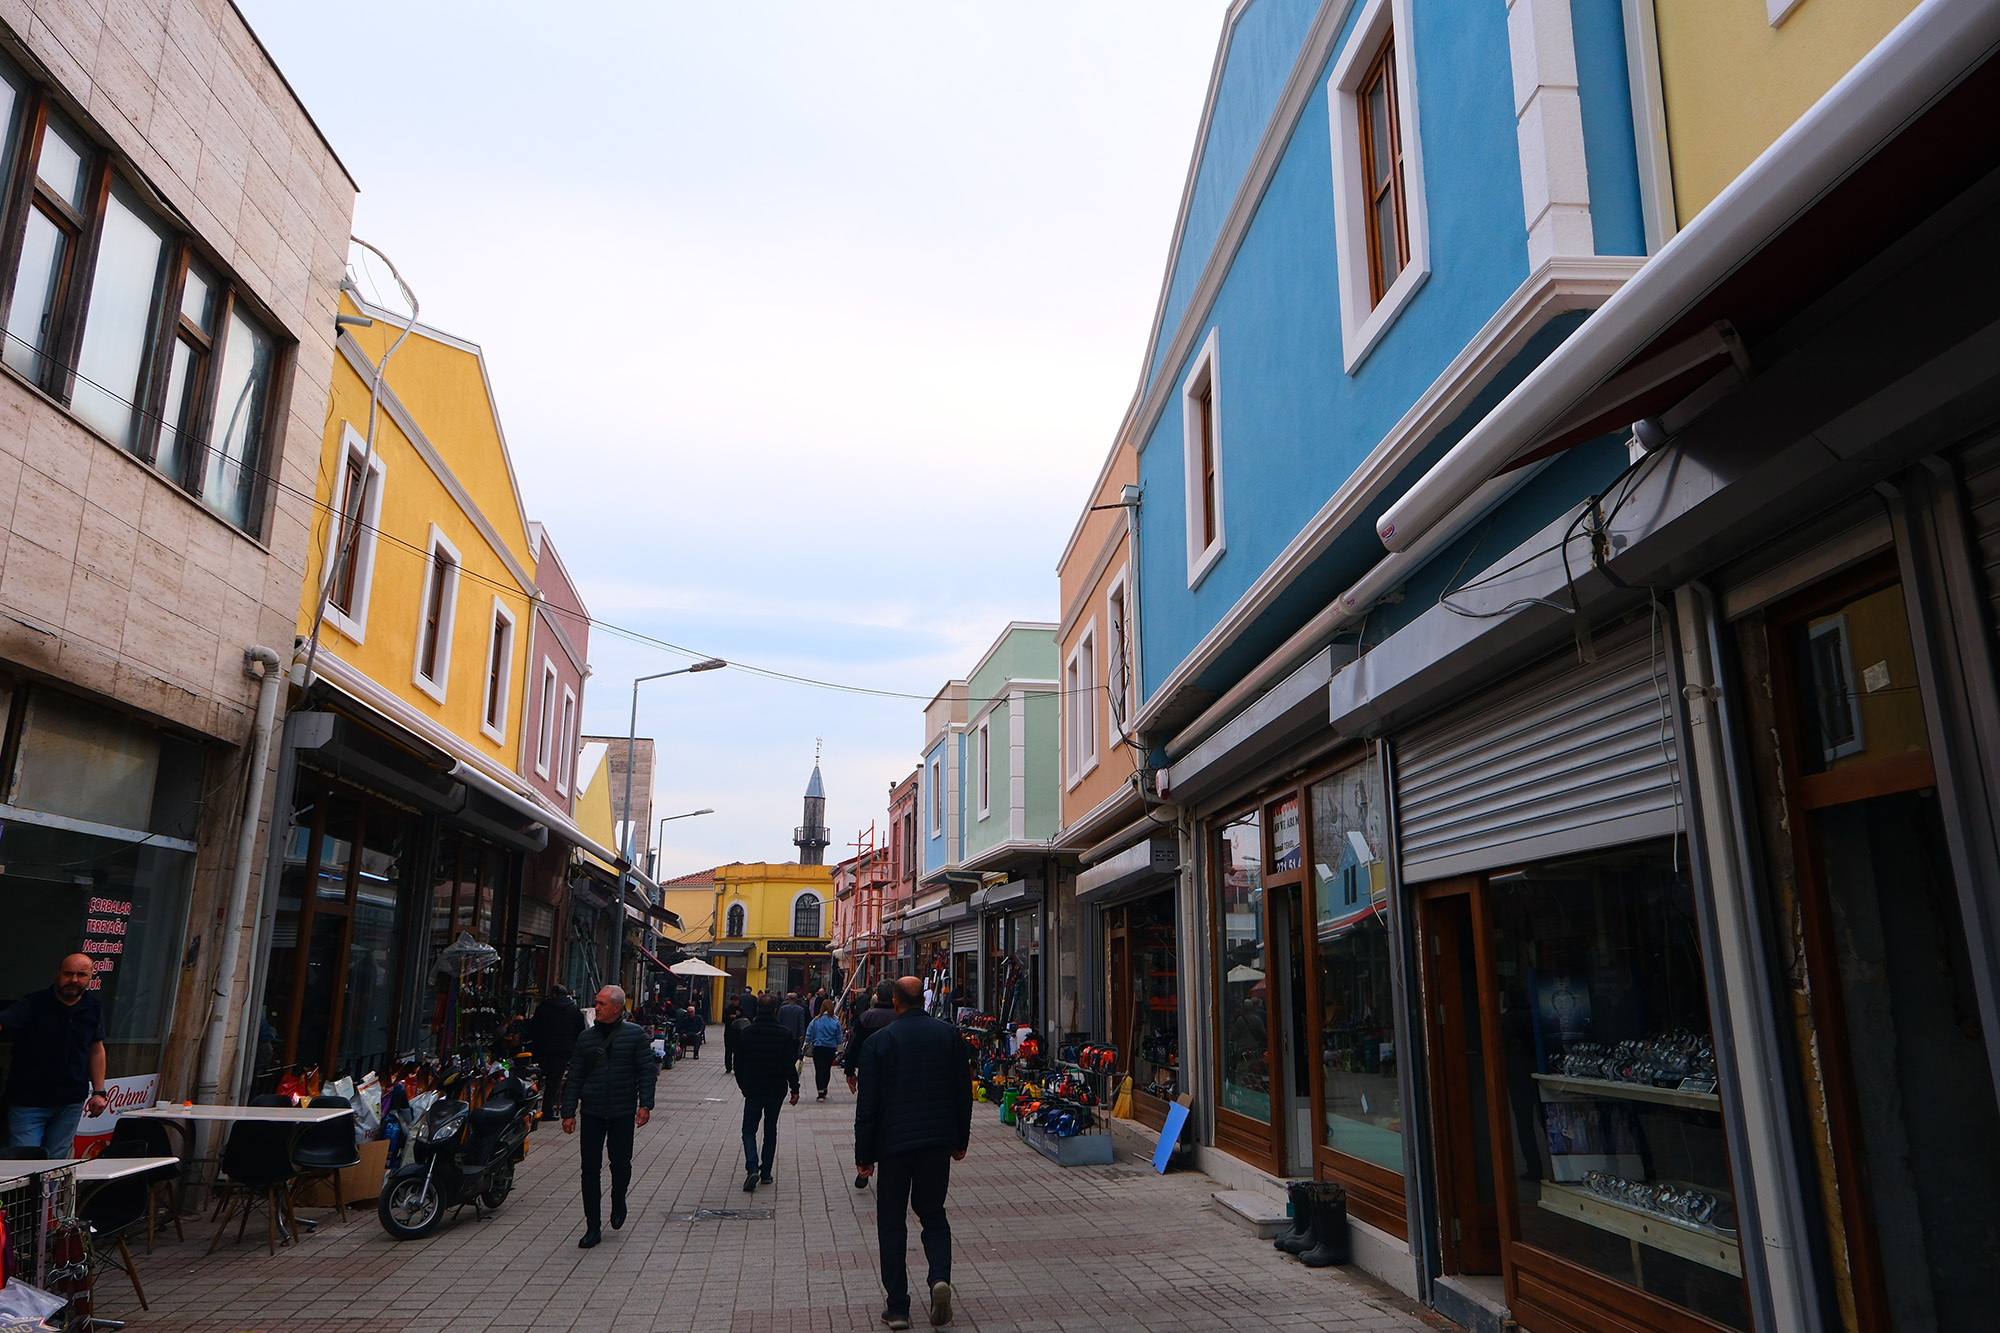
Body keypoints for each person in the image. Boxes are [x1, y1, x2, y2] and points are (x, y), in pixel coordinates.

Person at [855, 977, 974, 1331]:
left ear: (895, 1003)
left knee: (892, 1223)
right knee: (933, 1215)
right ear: (922, 1000)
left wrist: (865, 1156)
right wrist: (960, 1139)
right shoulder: (948, 1035)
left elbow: (868, 1106)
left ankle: (898, 1308)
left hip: (893, 1146)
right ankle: (939, 1278)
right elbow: (962, 1092)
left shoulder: (879, 1043)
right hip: (936, 1143)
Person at [561, 985, 657, 1249]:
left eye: (602, 1003)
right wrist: (568, 1112)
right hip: (591, 1110)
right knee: (589, 1169)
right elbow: (575, 1077)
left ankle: (619, 1199)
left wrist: (645, 1104)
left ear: (617, 1007)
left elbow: (646, 1072)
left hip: (622, 1111)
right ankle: (593, 1226)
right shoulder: (586, 1038)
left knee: (621, 1163)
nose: (597, 1008)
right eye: (596, 1003)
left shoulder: (635, 1035)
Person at [0, 954, 109, 1156]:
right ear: (57, 974)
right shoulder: (33, 1004)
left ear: (90, 978)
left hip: (70, 1101)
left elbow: (96, 1048)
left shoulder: (93, 1008)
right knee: (25, 1163)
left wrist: (99, 1092)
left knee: (57, 1164)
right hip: (28, 1102)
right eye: (68, 973)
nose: (74, 979)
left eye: (81, 975)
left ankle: (49, 1190)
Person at [733, 993, 800, 1192]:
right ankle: (766, 1172)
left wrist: (742, 1084)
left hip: (753, 1087)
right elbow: (789, 1064)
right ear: (775, 1011)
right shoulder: (784, 1033)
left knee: (748, 1130)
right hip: (775, 1088)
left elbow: (739, 1063)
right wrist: (794, 1088)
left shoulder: (747, 1033)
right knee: (770, 1128)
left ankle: (752, 1165)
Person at [527, 985, 584, 1120]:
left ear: (553, 994)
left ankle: (532, 1110)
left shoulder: (543, 1007)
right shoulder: (574, 1009)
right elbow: (579, 1031)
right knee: (554, 1081)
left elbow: (534, 1028)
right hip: (562, 1051)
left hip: (542, 1049)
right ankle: (547, 1111)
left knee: (536, 1079)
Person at [844, 980, 896, 1094]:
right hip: (897, 1071)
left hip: (870, 1070)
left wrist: (850, 1071)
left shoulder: (866, 1018)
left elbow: (853, 1045)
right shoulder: (900, 1016)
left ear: (877, 995)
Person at [804, 999, 843, 1100]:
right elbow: (839, 1036)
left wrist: (807, 1043)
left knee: (819, 1069)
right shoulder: (835, 1021)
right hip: (830, 1047)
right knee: (827, 1069)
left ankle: (820, 1090)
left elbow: (809, 1033)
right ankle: (825, 1087)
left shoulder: (816, 1020)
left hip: (818, 1047)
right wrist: (840, 1050)